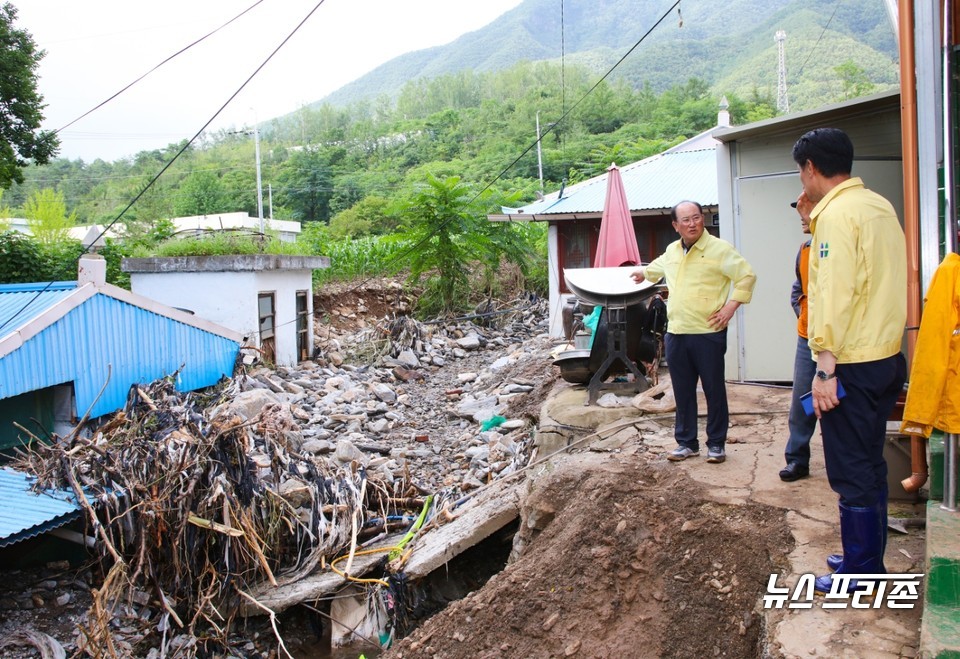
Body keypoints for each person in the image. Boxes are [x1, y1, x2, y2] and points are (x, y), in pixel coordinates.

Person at [791, 127, 907, 595]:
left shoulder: (836, 217)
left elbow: (833, 294)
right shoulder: (878, 206)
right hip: (885, 357)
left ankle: (860, 573)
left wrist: (824, 367)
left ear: (811, 168)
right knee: (869, 463)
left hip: (850, 363)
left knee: (849, 469)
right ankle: (866, 559)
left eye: (802, 170)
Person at [630, 201, 756, 464]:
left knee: (713, 389)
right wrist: (641, 274)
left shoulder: (720, 249)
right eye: (685, 220)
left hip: (707, 332)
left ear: (703, 219)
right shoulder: (672, 250)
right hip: (676, 332)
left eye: (696, 218)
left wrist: (731, 307)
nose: (692, 224)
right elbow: (656, 268)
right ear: (676, 226)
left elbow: (746, 276)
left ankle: (717, 444)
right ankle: (687, 443)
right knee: (683, 391)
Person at [779, 195, 817, 482]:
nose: (801, 218)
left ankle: (844, 459)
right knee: (804, 398)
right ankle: (797, 458)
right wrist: (804, 316)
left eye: (805, 212)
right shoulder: (804, 249)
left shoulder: (836, 245)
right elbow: (798, 289)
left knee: (840, 398)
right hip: (808, 339)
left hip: (842, 343)